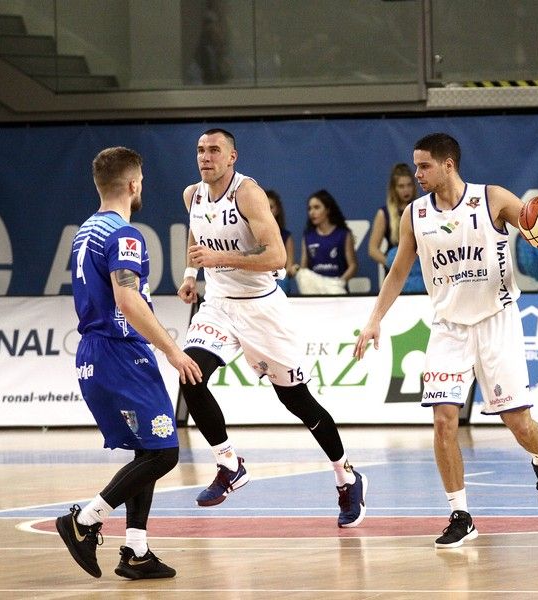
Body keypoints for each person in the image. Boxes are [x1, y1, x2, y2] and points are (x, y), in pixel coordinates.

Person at [353, 133, 538, 549]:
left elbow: (535, 225)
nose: (417, 174)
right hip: (449, 327)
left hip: (496, 321)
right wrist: (374, 320)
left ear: (448, 165)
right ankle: (461, 514)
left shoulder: (492, 199)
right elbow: (398, 271)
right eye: (416, 166)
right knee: (443, 420)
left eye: (424, 166)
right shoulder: (415, 215)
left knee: (519, 424)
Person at [176, 128, 367, 527]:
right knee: (190, 374)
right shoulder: (192, 194)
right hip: (218, 306)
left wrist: (218, 259)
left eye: (214, 150)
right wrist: (192, 273)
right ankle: (229, 464)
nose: (205, 156)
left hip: (262, 309)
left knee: (297, 401)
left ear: (232, 157)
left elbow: (277, 256)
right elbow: (196, 231)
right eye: (200, 150)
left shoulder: (247, 194)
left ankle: (346, 475)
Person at [59, 146, 202, 580]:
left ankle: (136, 552)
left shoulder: (86, 230)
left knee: (149, 447)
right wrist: (172, 349)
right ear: (134, 184)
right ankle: (85, 521)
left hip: (96, 351)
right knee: (164, 453)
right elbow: (128, 300)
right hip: (120, 351)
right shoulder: (124, 235)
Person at [367, 163, 425, 293]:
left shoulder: (422, 210)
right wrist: (392, 263)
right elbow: (372, 249)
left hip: (421, 273)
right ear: (394, 189)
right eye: (401, 186)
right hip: (396, 276)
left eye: (409, 185)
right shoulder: (384, 213)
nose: (406, 190)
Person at [294, 189, 357, 295]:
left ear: (328, 209)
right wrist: (297, 270)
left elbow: (353, 265)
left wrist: (340, 282)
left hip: (336, 289)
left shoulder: (343, 234)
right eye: (309, 208)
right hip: (314, 291)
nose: (312, 212)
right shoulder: (308, 236)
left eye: (316, 207)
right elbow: (304, 268)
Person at [265, 189, 297, 293]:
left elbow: (288, 268)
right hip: (259, 279)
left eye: (271, 207)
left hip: (278, 280)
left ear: (277, 210)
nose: (267, 210)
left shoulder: (286, 237)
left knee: (282, 281)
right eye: (264, 207)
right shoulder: (250, 235)